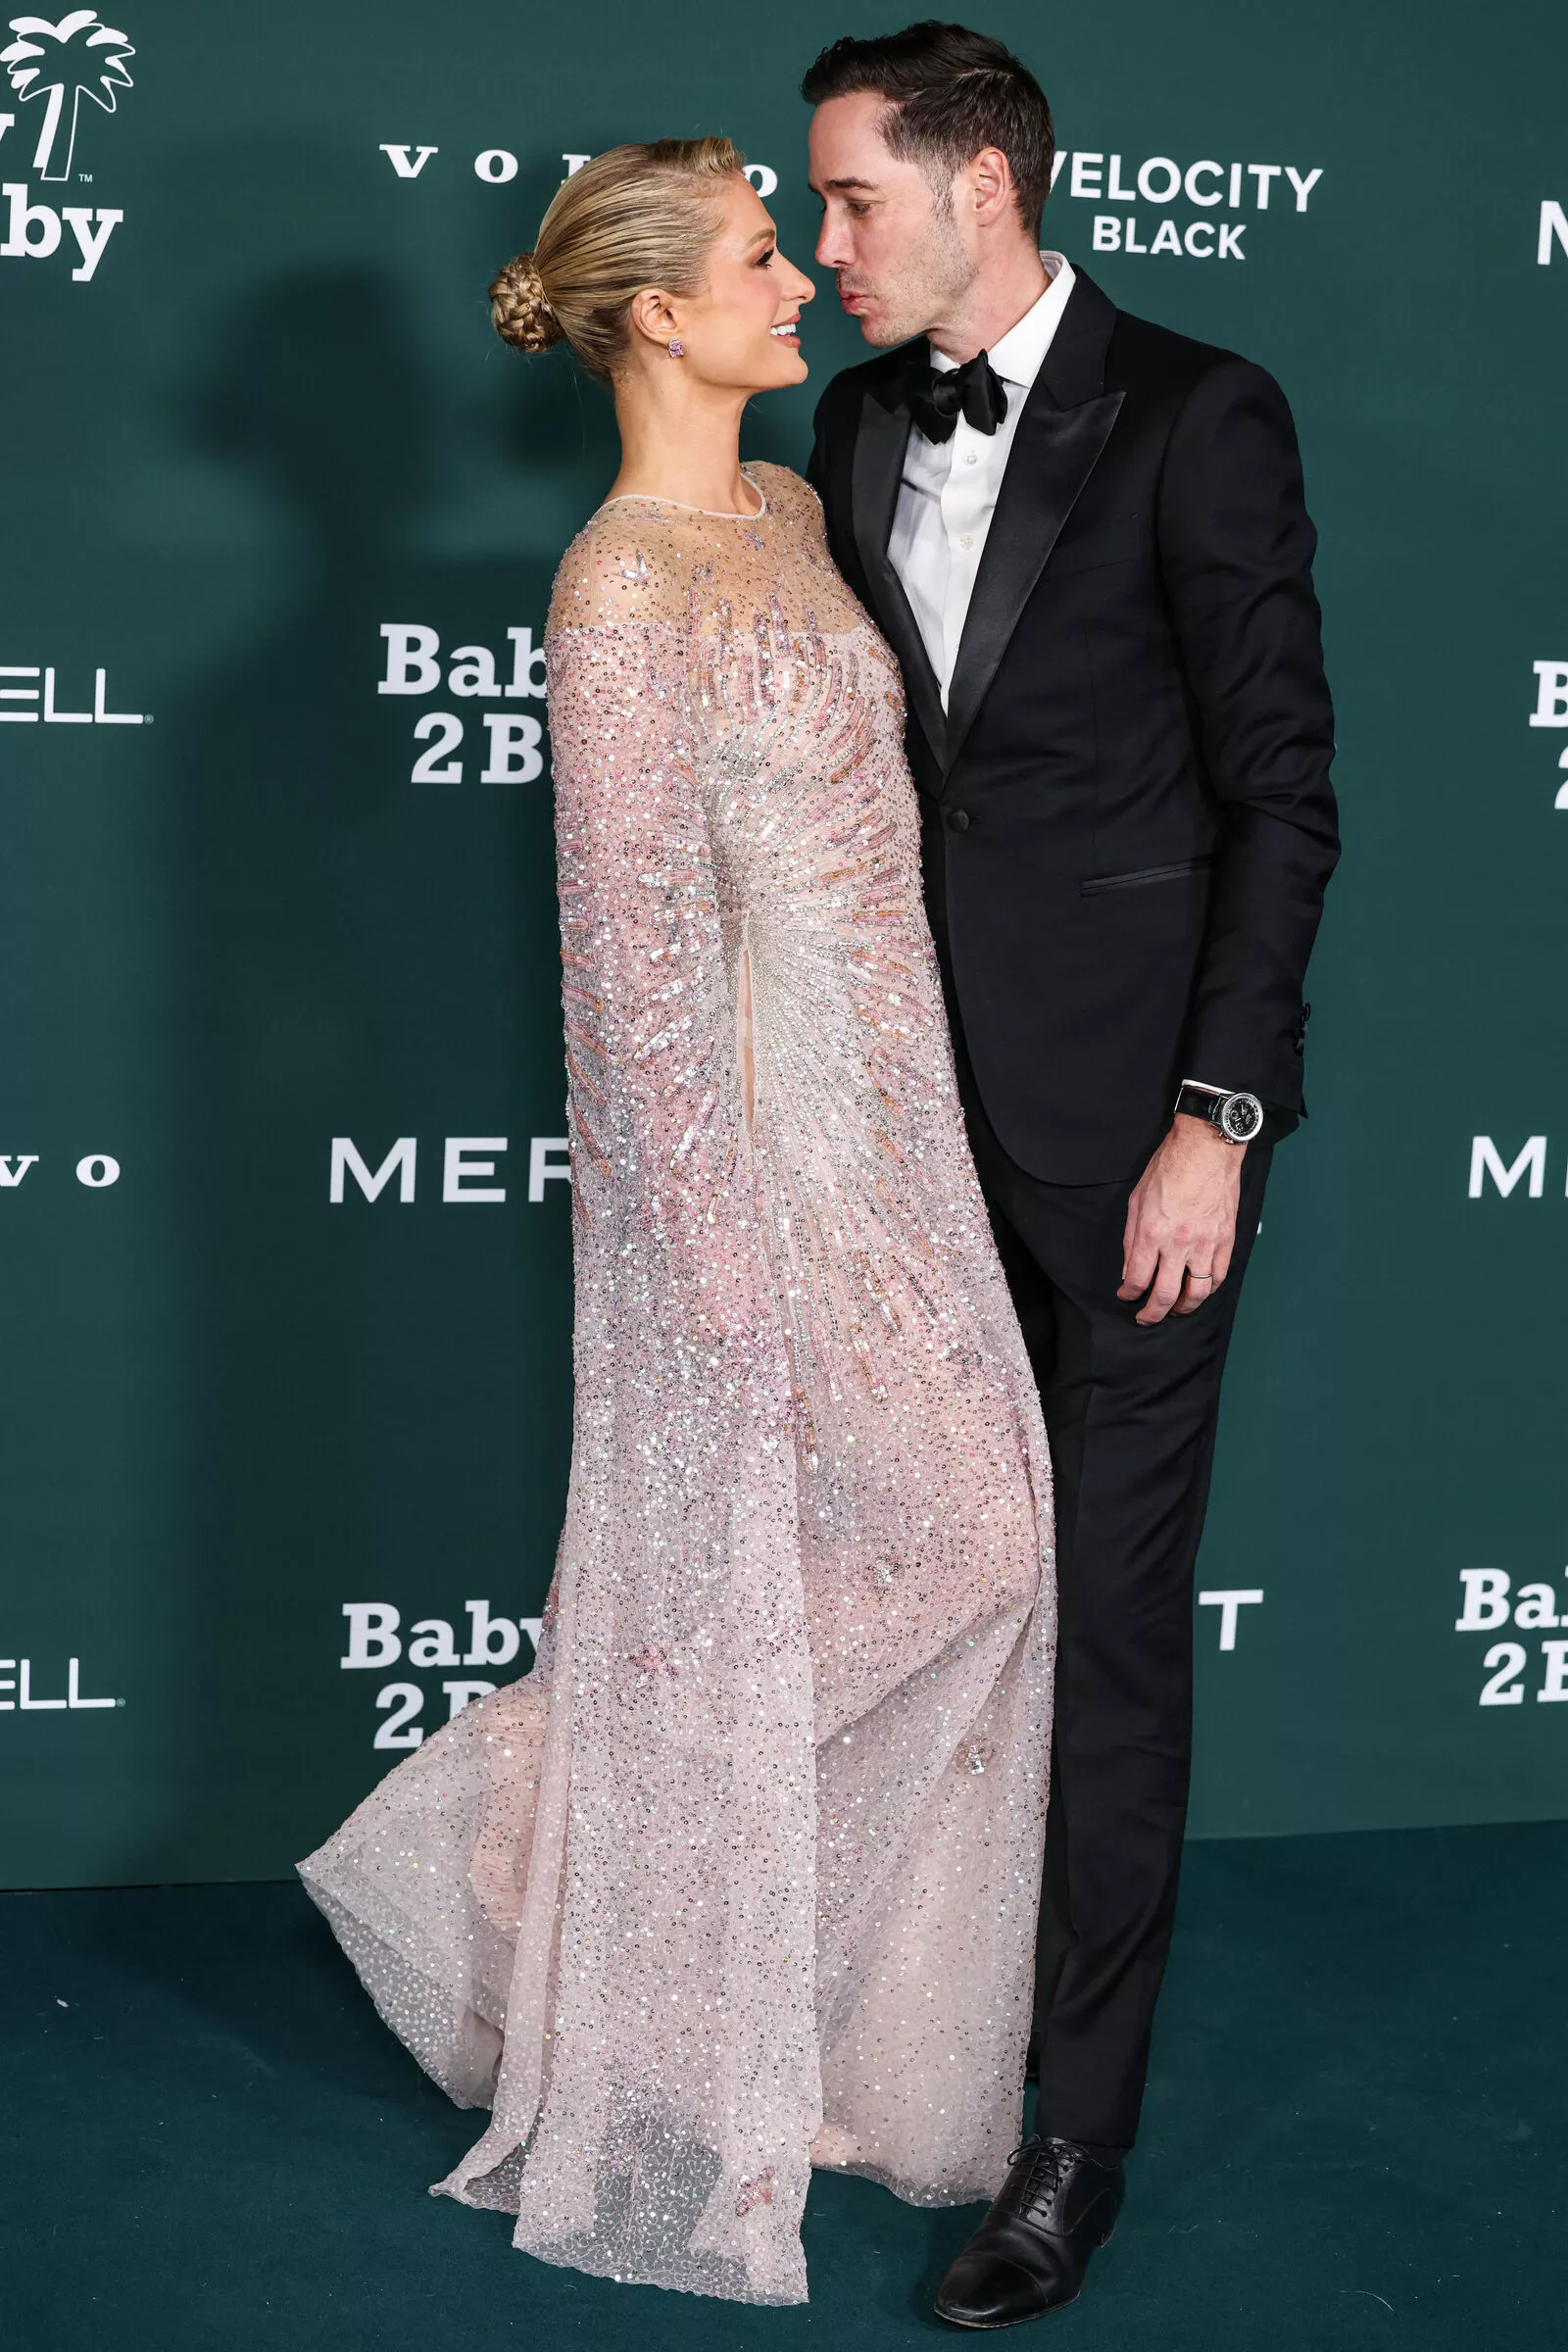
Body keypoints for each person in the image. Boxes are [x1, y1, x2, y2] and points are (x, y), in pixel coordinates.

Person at [298, 137, 1056, 2307]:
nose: (799, 282)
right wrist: (702, 1265)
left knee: (973, 1546)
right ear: (655, 312)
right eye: (756, 255)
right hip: (753, 1145)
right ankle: (533, 1846)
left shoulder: (790, 514)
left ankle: (568, 1836)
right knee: (890, 1553)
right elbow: (627, 967)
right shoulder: (618, 592)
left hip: (898, 1112)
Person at [803, 23, 1339, 2330]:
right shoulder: (846, 424)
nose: (823, 246)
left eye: (851, 198)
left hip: (1128, 1148)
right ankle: (884, 2053)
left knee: (1108, 1650)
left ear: (984, 185)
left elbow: (1279, 797)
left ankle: (1065, 2147)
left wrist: (1214, 1122)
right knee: (910, 1610)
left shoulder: (1199, 413)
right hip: (891, 1149)